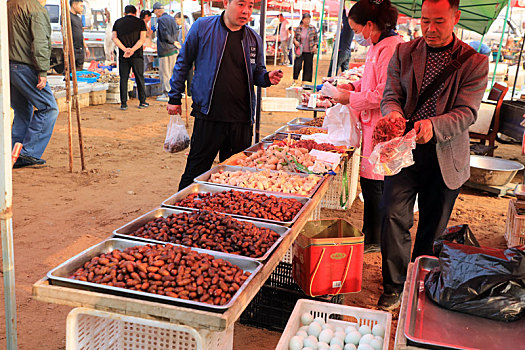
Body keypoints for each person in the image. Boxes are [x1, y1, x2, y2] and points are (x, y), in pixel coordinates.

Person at [378, 0, 488, 310]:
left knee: (432, 226)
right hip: (405, 151)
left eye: (439, 21)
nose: (430, 28)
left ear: (456, 17)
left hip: (445, 154)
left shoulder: (473, 61)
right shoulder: (404, 52)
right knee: (390, 214)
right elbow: (391, 95)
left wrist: (433, 126)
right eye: (425, 21)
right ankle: (394, 285)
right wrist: (393, 114)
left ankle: (417, 282)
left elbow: (467, 112)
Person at [167, 0, 284, 191]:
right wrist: (174, 97)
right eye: (240, 4)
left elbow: (257, 73)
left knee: (237, 174)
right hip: (209, 114)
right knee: (196, 169)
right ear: (226, 3)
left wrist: (266, 78)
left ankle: (228, 217)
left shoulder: (253, 38)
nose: (246, 11)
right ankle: (179, 211)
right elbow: (183, 62)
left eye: (250, 6)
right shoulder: (203, 27)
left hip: (241, 118)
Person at [331, 0, 403, 254]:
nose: (357, 36)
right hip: (370, 124)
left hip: (383, 126)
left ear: (369, 25)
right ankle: (371, 234)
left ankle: (376, 238)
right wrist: (350, 87)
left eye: (355, 29)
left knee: (376, 185)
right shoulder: (377, 46)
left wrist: (349, 98)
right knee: (370, 183)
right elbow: (368, 79)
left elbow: (382, 93)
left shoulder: (391, 47)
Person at [8, 0, 59, 168]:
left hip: (9, 65)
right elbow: (40, 43)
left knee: (23, 111)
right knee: (49, 108)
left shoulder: (8, 5)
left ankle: (15, 154)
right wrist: (42, 71)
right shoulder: (35, 9)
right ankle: (29, 153)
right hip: (25, 66)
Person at [112, 5, 149, 110]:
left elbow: (114, 38)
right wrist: (132, 50)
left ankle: (123, 103)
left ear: (125, 13)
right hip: (137, 55)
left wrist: (125, 49)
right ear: (135, 12)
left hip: (123, 55)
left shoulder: (118, 22)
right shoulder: (140, 22)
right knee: (139, 77)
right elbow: (142, 39)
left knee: (124, 78)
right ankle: (142, 101)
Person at [154, 2, 180, 102]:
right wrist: (174, 42)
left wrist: (171, 41)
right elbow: (176, 32)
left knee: (165, 73)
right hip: (173, 49)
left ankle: (167, 94)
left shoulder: (160, 20)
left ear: (157, 10)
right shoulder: (171, 18)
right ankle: (173, 92)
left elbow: (164, 34)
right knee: (172, 72)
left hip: (165, 50)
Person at [327, 5, 354, 77]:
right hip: (347, 52)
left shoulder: (348, 26)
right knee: (345, 73)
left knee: (333, 69)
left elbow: (345, 18)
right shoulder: (352, 28)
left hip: (342, 51)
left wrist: (343, 8)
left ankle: (328, 84)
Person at [293, 13, 318, 85]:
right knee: (297, 65)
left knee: (308, 66)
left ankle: (305, 82)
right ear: (303, 20)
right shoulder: (299, 28)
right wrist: (295, 42)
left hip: (309, 50)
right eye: (306, 19)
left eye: (309, 19)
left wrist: (315, 45)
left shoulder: (312, 28)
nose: (308, 21)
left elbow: (316, 39)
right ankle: (295, 80)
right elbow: (294, 38)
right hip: (300, 51)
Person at [175, 12, 193, 96]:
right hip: (184, 51)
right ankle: (185, 90)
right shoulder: (182, 27)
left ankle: (189, 91)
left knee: (188, 72)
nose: (176, 21)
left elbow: (188, 40)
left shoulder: (186, 27)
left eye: (176, 19)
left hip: (187, 52)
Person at [70, 0, 90, 71]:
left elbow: (80, 34)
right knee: (71, 73)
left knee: (79, 72)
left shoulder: (78, 18)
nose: (82, 8)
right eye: (81, 6)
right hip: (72, 49)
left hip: (80, 50)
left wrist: (86, 47)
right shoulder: (68, 17)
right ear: (74, 5)